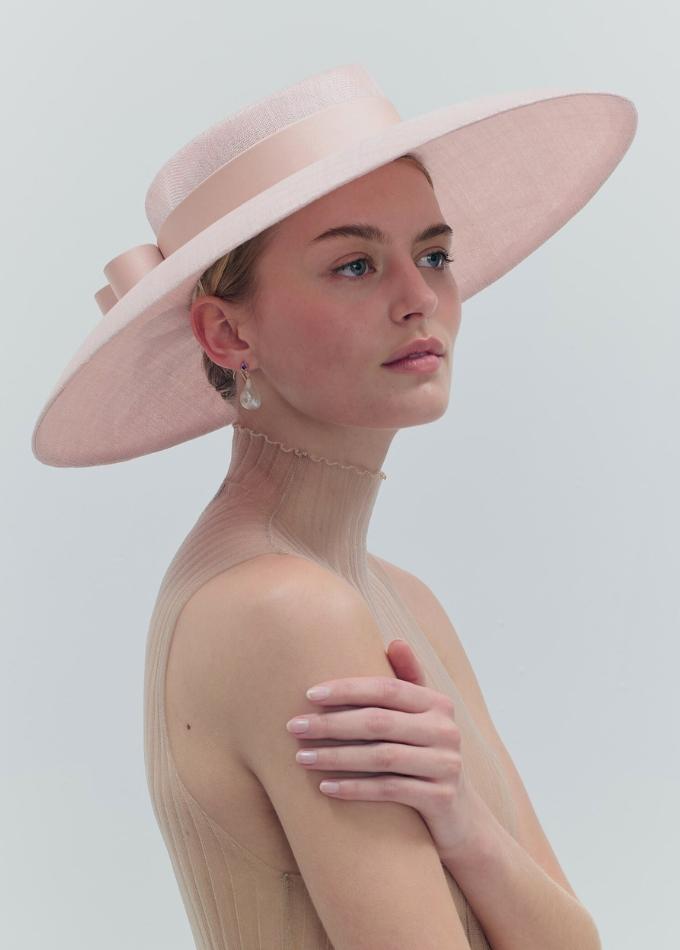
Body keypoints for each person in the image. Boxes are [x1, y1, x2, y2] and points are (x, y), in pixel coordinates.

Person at [31, 63, 637, 949]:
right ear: (227, 332)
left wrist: (464, 825)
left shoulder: (396, 596)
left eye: (434, 255)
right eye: (355, 264)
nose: (419, 298)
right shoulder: (285, 609)